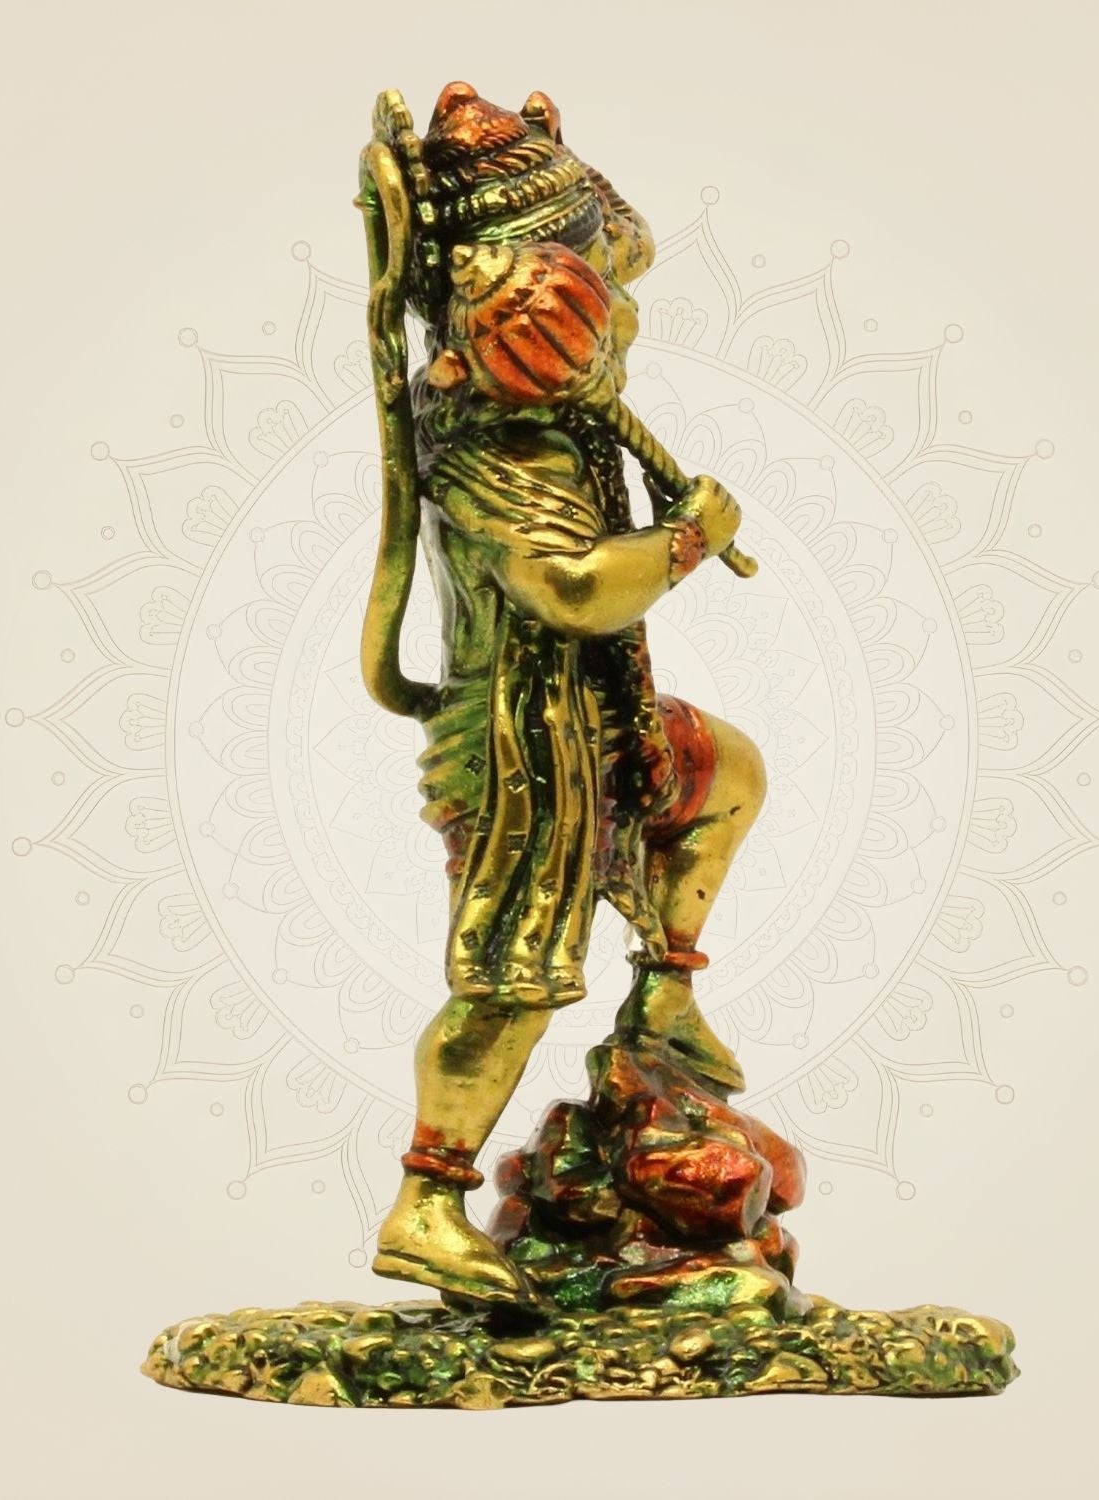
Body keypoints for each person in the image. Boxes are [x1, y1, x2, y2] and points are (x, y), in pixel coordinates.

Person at [358, 82, 766, 1305]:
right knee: (511, 983)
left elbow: (628, 242)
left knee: (721, 775)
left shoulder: (549, 381)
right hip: (523, 739)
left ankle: (666, 996)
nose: (622, 327)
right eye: (602, 313)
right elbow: (577, 587)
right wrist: (688, 539)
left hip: (595, 712)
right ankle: (427, 1203)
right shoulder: (499, 444)